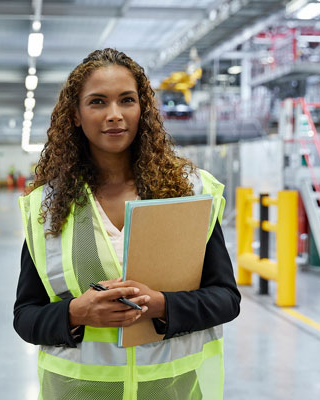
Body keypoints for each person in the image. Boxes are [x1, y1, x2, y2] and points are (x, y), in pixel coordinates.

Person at [14, 48, 240, 400]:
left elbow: (226, 298)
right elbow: (26, 316)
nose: (115, 115)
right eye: (98, 102)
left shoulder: (189, 192)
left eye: (127, 100)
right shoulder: (47, 205)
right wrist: (77, 313)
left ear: (142, 108)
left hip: (170, 391)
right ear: (75, 114)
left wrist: (162, 305)